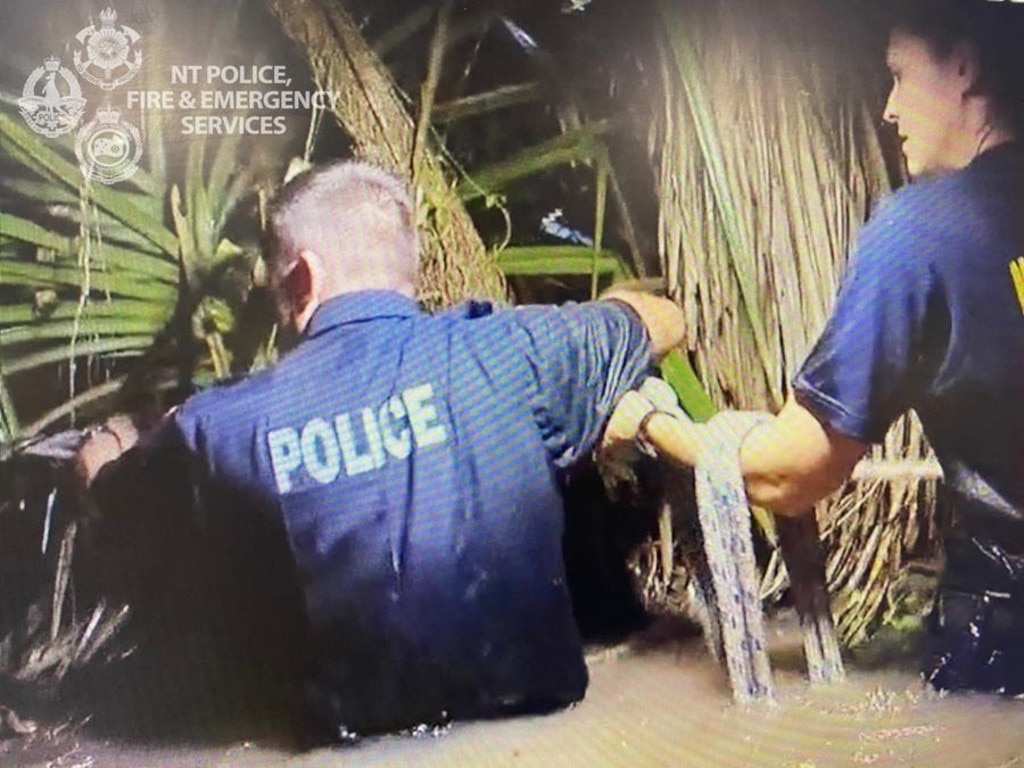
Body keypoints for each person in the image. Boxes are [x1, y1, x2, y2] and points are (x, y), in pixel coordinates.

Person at [74, 159, 684, 740]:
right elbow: (663, 321)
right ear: (407, 265)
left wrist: (108, 441)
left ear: (303, 274)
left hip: (354, 746)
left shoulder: (222, 426)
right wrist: (609, 319)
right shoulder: (516, 351)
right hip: (549, 734)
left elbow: (113, 499)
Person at [603, 0, 1024, 694]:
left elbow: (790, 477)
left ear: (964, 66)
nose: (887, 109)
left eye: (897, 75)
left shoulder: (919, 235)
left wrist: (655, 426)